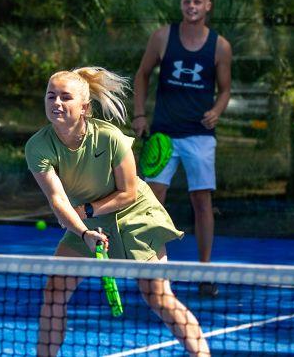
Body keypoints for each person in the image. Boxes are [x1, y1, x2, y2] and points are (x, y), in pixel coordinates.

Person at [25, 67, 210, 357]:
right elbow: (58, 201)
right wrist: (84, 233)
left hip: (134, 216)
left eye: (65, 97)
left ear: (84, 107)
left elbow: (128, 193)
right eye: (51, 96)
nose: (57, 103)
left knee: (158, 296)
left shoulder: (110, 137)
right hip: (87, 223)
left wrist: (86, 211)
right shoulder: (37, 146)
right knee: (54, 291)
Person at [132, 0, 232, 297]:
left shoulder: (220, 46)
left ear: (208, 6)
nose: (192, 6)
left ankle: (205, 272)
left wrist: (217, 110)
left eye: (197, 2)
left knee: (201, 201)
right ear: (181, 5)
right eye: (187, 1)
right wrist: (139, 115)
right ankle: (152, 269)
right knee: (152, 201)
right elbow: (142, 74)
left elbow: (225, 89)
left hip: (200, 137)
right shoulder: (162, 37)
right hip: (163, 135)